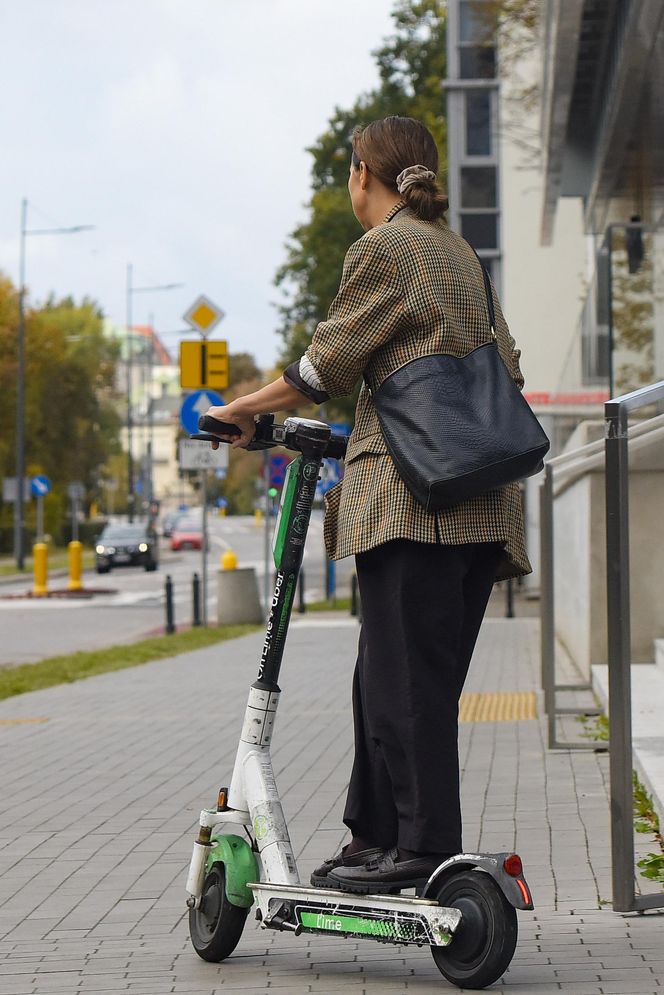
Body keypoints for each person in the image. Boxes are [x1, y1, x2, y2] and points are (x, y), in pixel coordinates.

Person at [205, 115, 530, 894]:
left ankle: (422, 848)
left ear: (363, 175)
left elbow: (325, 366)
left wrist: (240, 407)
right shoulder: (461, 253)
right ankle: (373, 835)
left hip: (416, 501)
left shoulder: (385, 247)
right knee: (394, 678)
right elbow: (507, 364)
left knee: (401, 681)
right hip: (483, 502)